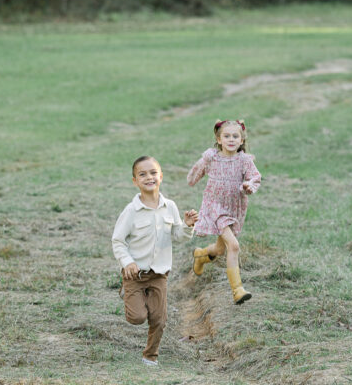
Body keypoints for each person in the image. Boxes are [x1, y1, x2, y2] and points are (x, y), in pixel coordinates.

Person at [112, 156, 198, 366]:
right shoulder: (131, 211)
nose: (148, 177)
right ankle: (130, 295)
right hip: (135, 274)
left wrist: (186, 225)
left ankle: (150, 356)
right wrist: (127, 262)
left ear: (161, 176)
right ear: (135, 181)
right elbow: (118, 241)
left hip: (159, 273)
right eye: (142, 174)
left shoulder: (170, 207)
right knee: (137, 317)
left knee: (159, 319)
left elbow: (177, 235)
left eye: (153, 173)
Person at [187, 119, 261, 304]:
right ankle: (237, 290)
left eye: (235, 136)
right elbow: (194, 175)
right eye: (226, 136)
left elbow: (255, 178)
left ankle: (201, 256)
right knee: (233, 246)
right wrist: (194, 174)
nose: (231, 139)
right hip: (215, 206)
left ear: (241, 140)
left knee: (220, 249)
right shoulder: (212, 157)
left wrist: (249, 186)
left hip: (234, 209)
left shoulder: (244, 160)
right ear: (218, 139)